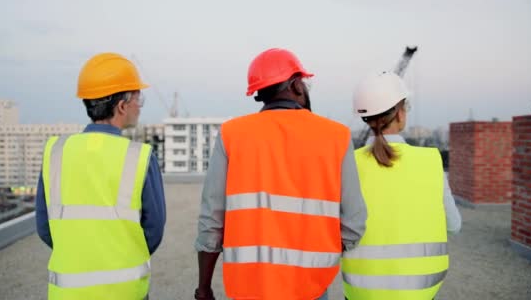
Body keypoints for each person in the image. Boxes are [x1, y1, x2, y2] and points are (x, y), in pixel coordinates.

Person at [194, 48, 368, 300]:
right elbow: (354, 221)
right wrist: (320, 255)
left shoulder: (232, 134)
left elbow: (211, 221)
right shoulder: (336, 136)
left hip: (248, 288)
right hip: (311, 288)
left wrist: (204, 288)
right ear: (297, 84)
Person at [35, 52, 166, 299]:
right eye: (139, 98)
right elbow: (154, 230)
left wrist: (80, 257)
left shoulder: (56, 152)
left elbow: (44, 226)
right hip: (125, 292)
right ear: (122, 105)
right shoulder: (139, 156)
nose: (139, 106)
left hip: (67, 292)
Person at [342, 72, 461, 300]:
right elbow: (454, 225)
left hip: (361, 293)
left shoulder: (348, 164)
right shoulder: (430, 160)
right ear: (400, 113)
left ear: (364, 119)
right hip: (421, 293)